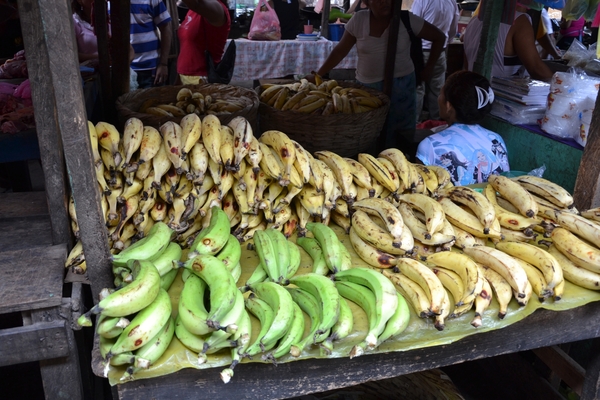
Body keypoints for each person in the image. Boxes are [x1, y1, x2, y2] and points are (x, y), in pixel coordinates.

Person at [311, 0, 445, 150]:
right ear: (367, 2)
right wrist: (319, 74)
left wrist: (429, 68)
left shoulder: (407, 20)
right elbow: (340, 51)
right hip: (367, 89)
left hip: (401, 87)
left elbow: (439, 37)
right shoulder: (359, 20)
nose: (385, 2)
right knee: (368, 134)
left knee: (400, 135)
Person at [416, 70, 510, 186]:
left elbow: (421, 192)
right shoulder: (496, 140)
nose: (438, 98)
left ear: (449, 106)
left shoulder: (430, 146)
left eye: (441, 94)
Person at [463, 3, 553, 82]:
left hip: (475, 91)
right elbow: (535, 68)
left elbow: (467, 65)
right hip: (499, 95)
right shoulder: (519, 21)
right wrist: (560, 84)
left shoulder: (473, 20)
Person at [411, 0, 459, 122]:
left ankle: (413, 125)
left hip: (421, 52)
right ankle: (436, 124)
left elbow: (413, 27)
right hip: (440, 52)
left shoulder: (422, 1)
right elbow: (453, 28)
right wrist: (448, 40)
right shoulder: (451, 2)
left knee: (417, 89)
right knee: (437, 91)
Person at [176, 0, 231, 85]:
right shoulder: (192, 11)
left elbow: (196, 4)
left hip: (201, 78)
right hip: (185, 75)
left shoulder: (218, 9)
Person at [130, 0, 172, 88]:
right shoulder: (111, 4)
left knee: (154, 101)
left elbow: (166, 29)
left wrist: (163, 64)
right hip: (126, 70)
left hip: (151, 70)